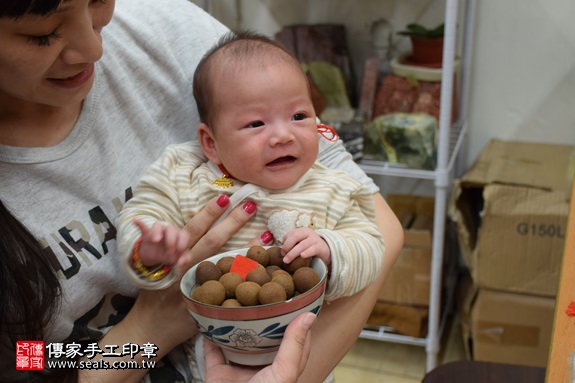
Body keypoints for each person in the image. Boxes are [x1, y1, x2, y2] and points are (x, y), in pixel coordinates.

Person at [0, 0, 404, 382]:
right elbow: (29, 361)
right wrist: (149, 328)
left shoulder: (175, 31)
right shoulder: (186, 170)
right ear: (209, 141)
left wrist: (331, 255)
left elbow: (379, 232)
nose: (94, 47)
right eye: (43, 33)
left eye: (98, 2)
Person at [117, 32, 386, 305]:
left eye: (299, 116)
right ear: (211, 143)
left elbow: (372, 248)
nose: (283, 136)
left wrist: (330, 248)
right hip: (205, 332)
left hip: (305, 331)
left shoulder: (334, 188)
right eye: (256, 123)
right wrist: (150, 249)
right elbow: (144, 212)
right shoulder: (185, 173)